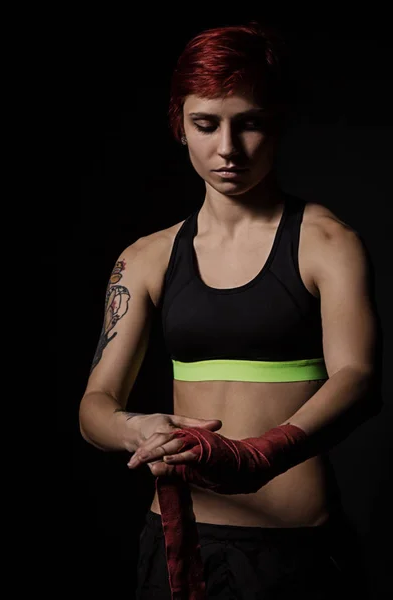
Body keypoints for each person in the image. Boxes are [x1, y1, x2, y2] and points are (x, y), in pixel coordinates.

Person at [79, 22, 382, 600]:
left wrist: (258, 455)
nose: (227, 148)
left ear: (278, 123)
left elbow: (361, 379)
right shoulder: (145, 258)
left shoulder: (327, 242)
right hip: (177, 543)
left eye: (249, 123)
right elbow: (94, 405)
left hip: (296, 550)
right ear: (180, 124)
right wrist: (133, 428)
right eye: (206, 124)